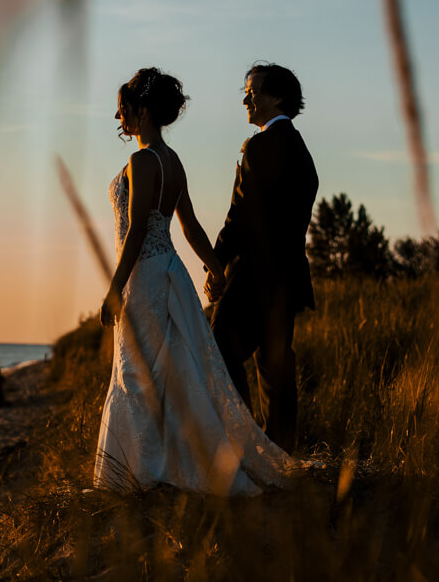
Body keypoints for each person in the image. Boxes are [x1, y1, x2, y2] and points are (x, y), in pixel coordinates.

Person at [93, 66, 297, 496]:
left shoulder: (142, 160)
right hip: (171, 272)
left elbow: (134, 232)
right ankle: (167, 463)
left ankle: (143, 472)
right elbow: (192, 229)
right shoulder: (173, 161)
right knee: (170, 372)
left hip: (145, 279)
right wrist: (215, 268)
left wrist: (114, 289)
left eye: (125, 110)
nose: (121, 120)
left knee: (138, 374)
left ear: (143, 110)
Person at [207, 64, 318, 454]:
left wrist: (215, 264)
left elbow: (240, 214)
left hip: (253, 277)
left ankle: (246, 443)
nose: (245, 99)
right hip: (286, 279)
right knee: (275, 368)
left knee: (218, 350)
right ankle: (280, 452)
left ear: (276, 97)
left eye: (252, 92)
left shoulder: (260, 146)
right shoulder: (302, 150)